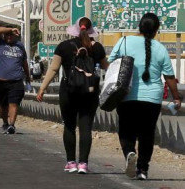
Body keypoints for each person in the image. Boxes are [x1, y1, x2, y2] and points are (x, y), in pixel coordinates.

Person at [108, 13, 181, 181]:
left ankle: (129, 152)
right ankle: (142, 169)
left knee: (127, 130)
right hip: (152, 99)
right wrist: (176, 97)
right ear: (156, 30)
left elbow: (111, 64)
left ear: (139, 26)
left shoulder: (124, 41)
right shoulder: (161, 49)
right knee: (147, 134)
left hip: (127, 95)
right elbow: (169, 77)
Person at [36, 17, 109, 174]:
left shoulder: (64, 46)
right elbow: (106, 68)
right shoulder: (97, 48)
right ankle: (83, 163)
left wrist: (42, 88)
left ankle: (71, 162)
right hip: (90, 92)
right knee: (86, 127)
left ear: (76, 29)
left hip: (68, 91)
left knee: (69, 126)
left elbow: (53, 69)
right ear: (90, 31)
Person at [0, 25, 31, 134]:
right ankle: (5, 122)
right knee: (3, 106)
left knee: (13, 103)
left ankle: (12, 125)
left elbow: (24, 63)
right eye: (7, 34)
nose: (9, 36)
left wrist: (28, 77)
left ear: (15, 36)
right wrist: (10, 29)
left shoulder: (20, 46)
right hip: (1, 81)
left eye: (11, 34)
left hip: (16, 81)